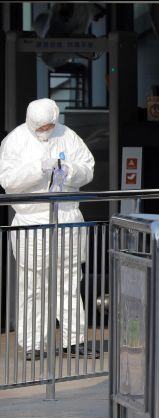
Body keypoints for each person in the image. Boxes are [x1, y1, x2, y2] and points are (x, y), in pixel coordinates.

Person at [0, 98, 96, 360]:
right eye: (40, 127)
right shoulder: (16, 141)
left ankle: (73, 340)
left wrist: (68, 169)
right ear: (31, 122)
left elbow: (88, 170)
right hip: (32, 222)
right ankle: (32, 344)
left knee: (69, 283)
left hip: (66, 218)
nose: (46, 130)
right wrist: (38, 169)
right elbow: (8, 181)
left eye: (50, 125)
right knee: (33, 286)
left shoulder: (68, 135)